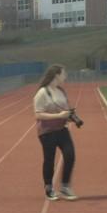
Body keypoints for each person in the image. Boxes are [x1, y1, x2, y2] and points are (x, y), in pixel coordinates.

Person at [33, 63, 79, 201]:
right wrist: (59, 116)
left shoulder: (61, 91)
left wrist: (71, 117)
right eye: (64, 73)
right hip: (47, 132)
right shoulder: (42, 93)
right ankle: (49, 188)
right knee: (49, 160)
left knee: (70, 155)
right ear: (56, 75)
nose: (66, 76)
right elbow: (38, 115)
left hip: (62, 129)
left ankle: (65, 186)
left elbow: (64, 110)